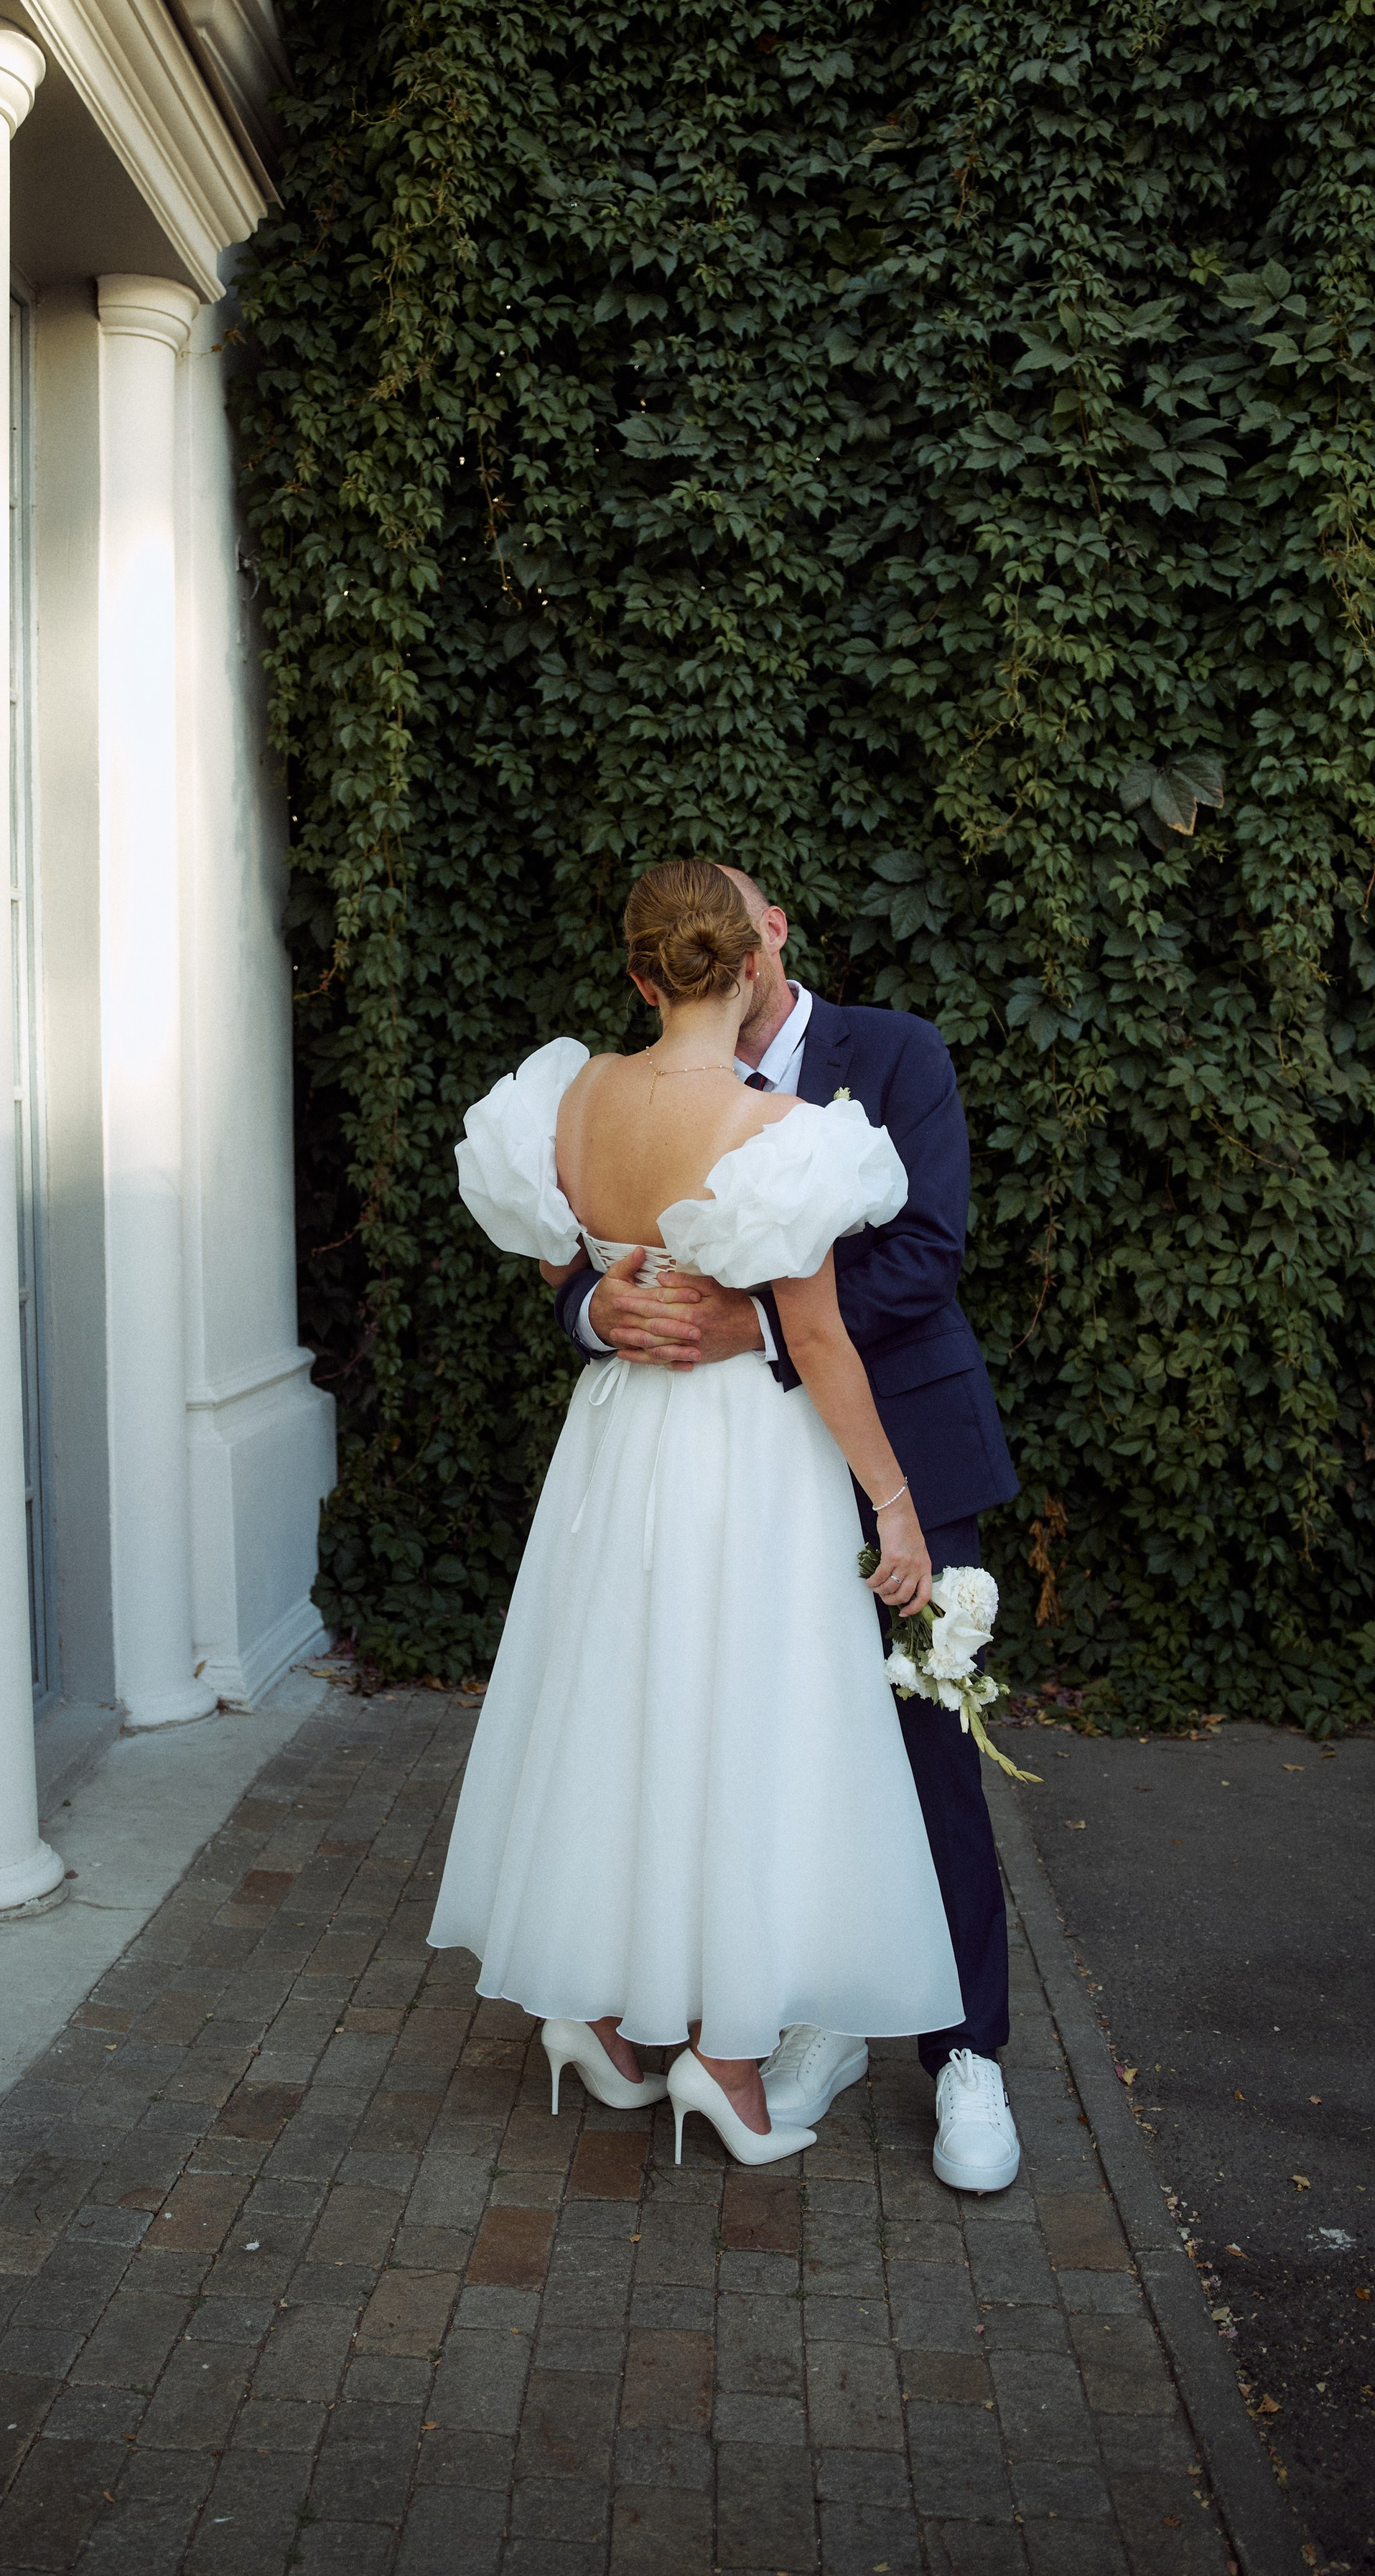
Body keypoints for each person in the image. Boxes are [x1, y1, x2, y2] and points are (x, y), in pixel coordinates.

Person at [428, 859, 965, 2168]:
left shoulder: (568, 1103)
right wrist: (894, 1508)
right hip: (743, 1458)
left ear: (637, 972)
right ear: (747, 968)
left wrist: (606, 1303)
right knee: (737, 1722)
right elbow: (823, 1344)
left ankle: (600, 2026)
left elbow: (578, 1273)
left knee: (616, 1702)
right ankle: (724, 2066)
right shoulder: (781, 1133)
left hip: (617, 1450)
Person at [551, 866, 1022, 2195]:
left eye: (755, 926)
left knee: (930, 1756)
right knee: (747, 1749)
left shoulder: (895, 1053)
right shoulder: (634, 1091)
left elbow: (928, 1251)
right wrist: (601, 1317)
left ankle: (966, 2053)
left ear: (775, 938)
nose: (744, 954)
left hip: (899, 1450)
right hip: (723, 1483)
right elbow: (586, 1268)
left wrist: (741, 1325)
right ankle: (789, 2016)